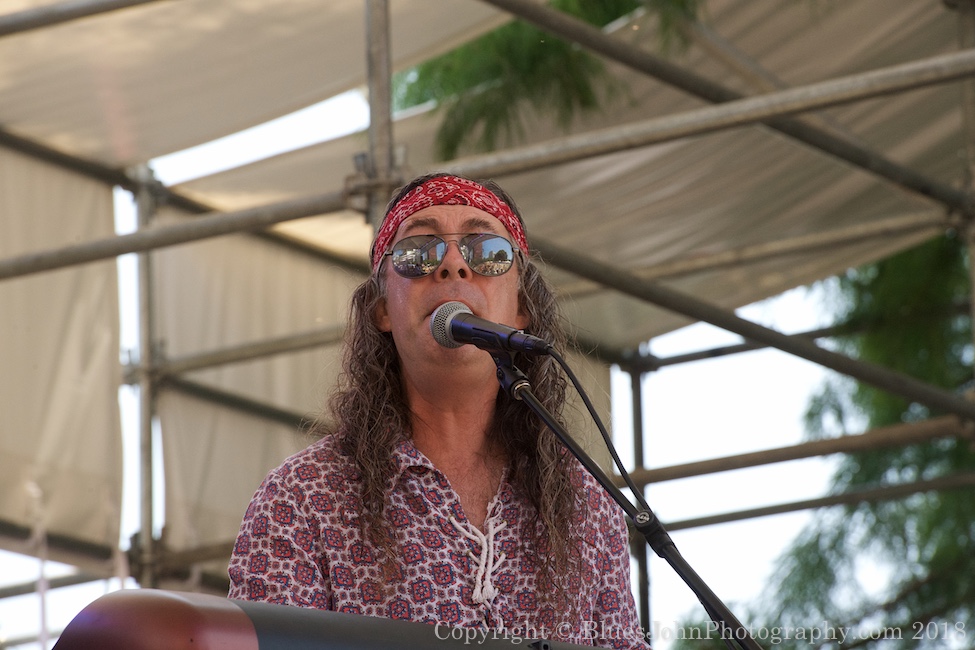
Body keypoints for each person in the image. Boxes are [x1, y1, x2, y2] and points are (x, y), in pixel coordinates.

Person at [228, 173, 649, 648]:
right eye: (418, 251)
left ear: (521, 311)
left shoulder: (587, 504)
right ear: (382, 309)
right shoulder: (302, 499)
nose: (451, 265)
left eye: (486, 251)